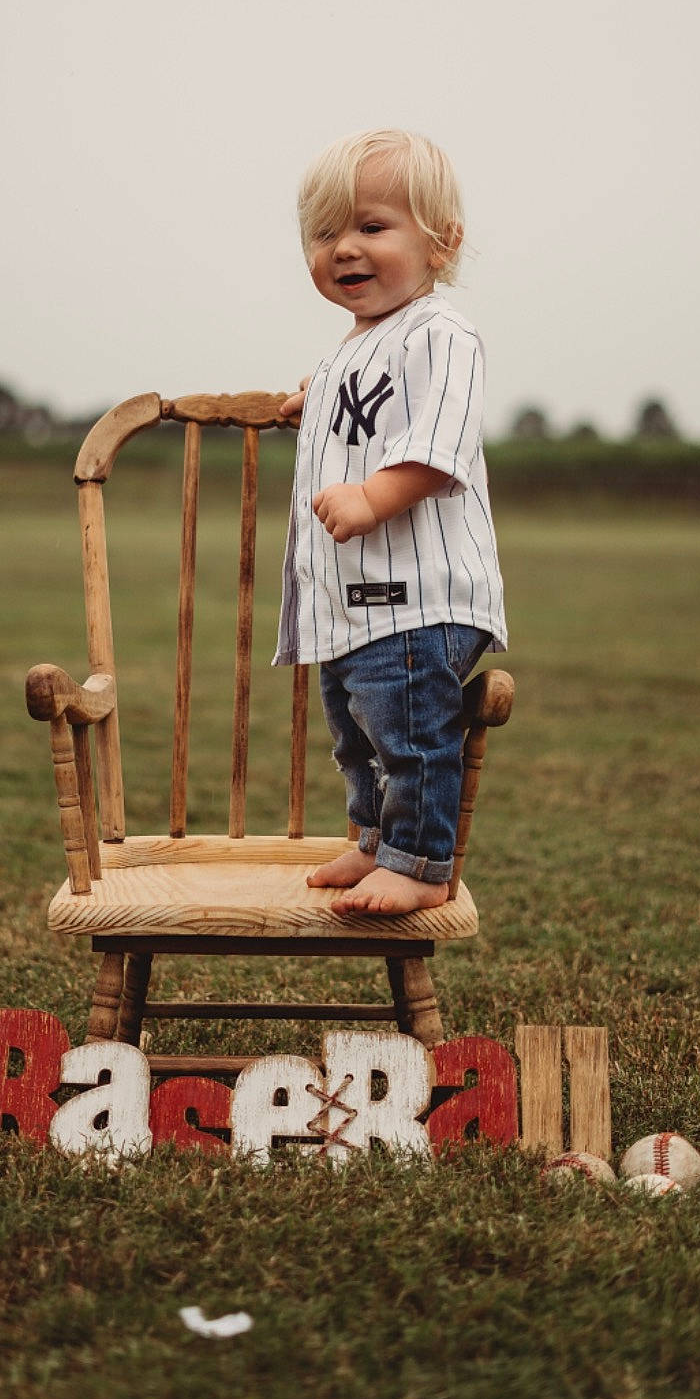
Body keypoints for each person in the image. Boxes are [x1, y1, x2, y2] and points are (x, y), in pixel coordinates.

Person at [274, 129, 507, 916]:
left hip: (418, 597)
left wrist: (371, 497)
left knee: (408, 732)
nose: (344, 248)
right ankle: (375, 838)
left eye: (372, 227)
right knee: (356, 733)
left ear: (440, 244)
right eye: (324, 233)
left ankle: (419, 861)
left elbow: (436, 447)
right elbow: (366, 404)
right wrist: (318, 401)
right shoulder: (357, 345)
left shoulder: (441, 335)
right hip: (357, 606)